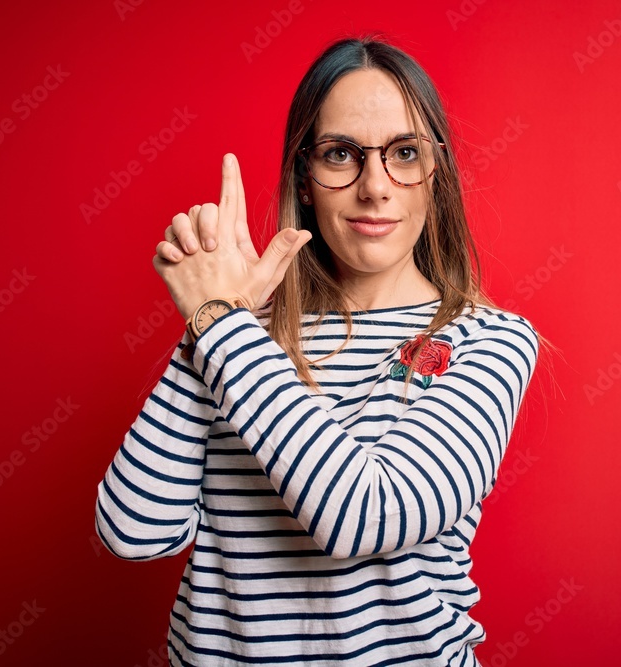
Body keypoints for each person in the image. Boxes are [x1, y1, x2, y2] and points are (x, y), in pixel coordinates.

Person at [95, 34, 545, 667]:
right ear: (305, 177)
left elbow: (365, 516)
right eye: (340, 154)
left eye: (405, 153)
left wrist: (219, 321)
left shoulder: (491, 341)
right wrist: (216, 319)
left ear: (435, 176)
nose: (375, 187)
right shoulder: (240, 334)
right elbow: (134, 531)